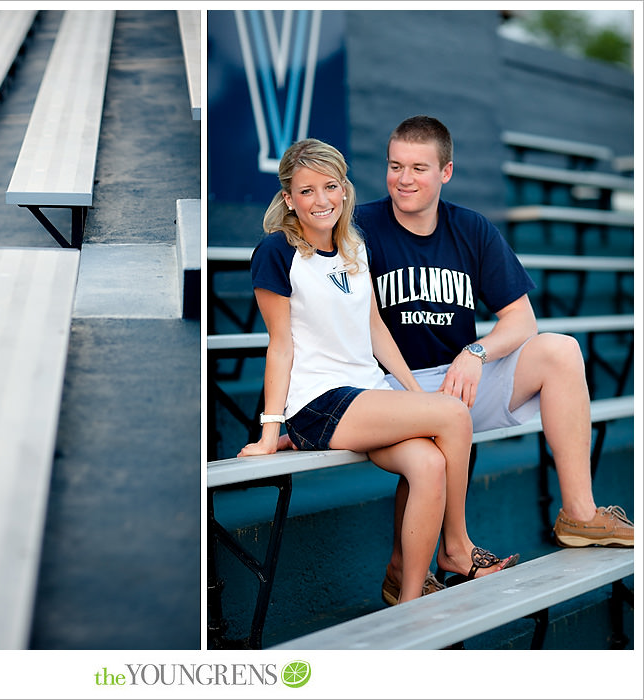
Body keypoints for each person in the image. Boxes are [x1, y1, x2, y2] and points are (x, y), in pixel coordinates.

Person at [355, 115, 634, 602]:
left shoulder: (471, 229)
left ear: (446, 172)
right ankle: (419, 565)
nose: (404, 179)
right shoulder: (361, 228)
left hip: (459, 385)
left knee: (560, 350)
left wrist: (476, 351)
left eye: (419, 168)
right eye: (395, 166)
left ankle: (579, 514)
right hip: (388, 387)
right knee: (436, 431)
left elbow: (521, 322)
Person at [238, 138, 518, 605]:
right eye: (306, 191)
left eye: (330, 187)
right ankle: (456, 547)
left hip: (367, 394)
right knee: (452, 416)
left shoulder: (353, 247)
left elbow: (376, 331)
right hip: (320, 400)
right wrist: (271, 430)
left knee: (428, 462)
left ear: (344, 190)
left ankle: (409, 599)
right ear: (289, 198)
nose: (321, 200)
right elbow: (281, 346)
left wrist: (413, 395)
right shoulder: (277, 252)